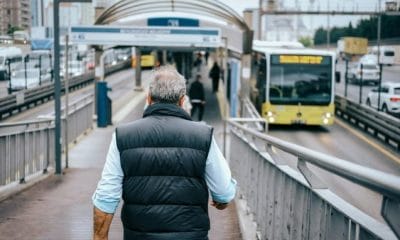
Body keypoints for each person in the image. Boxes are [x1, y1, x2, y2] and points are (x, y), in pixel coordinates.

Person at [92, 65, 236, 240]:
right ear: (183, 101)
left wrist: (100, 237)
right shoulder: (203, 135)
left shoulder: (124, 135)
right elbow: (224, 191)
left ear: (149, 98)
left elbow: (106, 196)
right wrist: (221, 201)